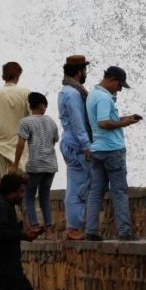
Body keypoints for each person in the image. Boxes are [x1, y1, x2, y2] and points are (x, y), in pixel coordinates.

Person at [85, 66, 141, 241]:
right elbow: (103, 123)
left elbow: (104, 120)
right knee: (119, 191)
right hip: (112, 150)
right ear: (112, 80)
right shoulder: (103, 98)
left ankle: (91, 230)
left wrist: (126, 118)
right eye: (119, 85)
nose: (120, 89)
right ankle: (125, 232)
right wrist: (125, 124)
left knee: (96, 192)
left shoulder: (93, 95)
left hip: (97, 150)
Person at [58, 54, 94, 240]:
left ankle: (76, 226)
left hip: (71, 143)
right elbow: (78, 122)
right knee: (78, 187)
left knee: (76, 185)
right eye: (85, 69)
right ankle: (74, 227)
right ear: (80, 71)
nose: (86, 73)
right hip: (77, 146)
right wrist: (87, 146)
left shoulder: (66, 90)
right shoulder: (73, 94)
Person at [12, 92, 59, 232]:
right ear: (42, 106)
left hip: (35, 165)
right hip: (51, 165)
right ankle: (49, 229)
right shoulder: (51, 121)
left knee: (29, 196)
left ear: (30, 106)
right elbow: (54, 140)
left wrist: (15, 164)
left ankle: (34, 226)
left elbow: (20, 144)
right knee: (45, 196)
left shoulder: (25, 122)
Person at [0, 62, 31, 174]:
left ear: (3, 76)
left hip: (2, 146)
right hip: (22, 147)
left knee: (7, 184)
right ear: (18, 75)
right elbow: (32, 120)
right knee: (24, 183)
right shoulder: (26, 93)